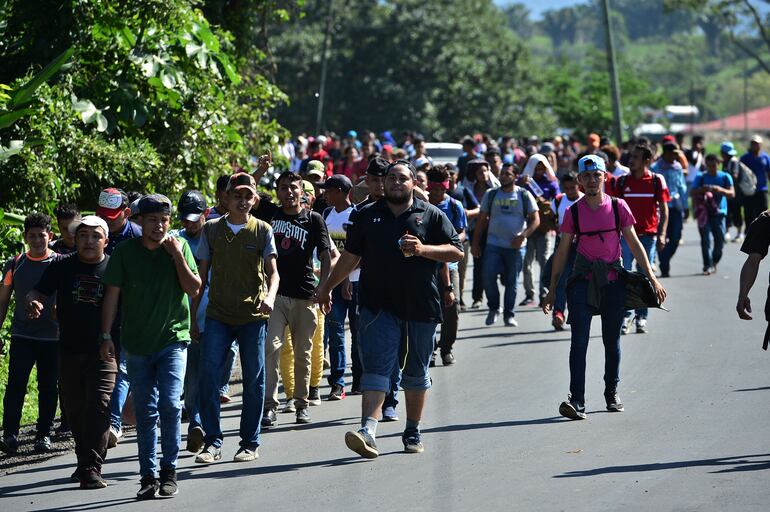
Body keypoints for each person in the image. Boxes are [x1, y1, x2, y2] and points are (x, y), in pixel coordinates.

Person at [317, 160, 463, 458]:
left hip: (420, 306)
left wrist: (423, 249)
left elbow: (456, 251)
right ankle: (367, 431)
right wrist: (327, 286)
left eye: (403, 178)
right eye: (391, 178)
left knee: (415, 371)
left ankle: (412, 429)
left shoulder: (431, 215)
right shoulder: (367, 215)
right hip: (377, 304)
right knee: (377, 369)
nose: (396, 182)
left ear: (413, 184)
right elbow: (349, 257)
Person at [543, 155, 666, 420]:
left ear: (604, 177)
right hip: (582, 283)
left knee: (612, 340)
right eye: (586, 176)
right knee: (579, 342)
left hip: (613, 281)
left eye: (596, 175)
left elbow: (634, 244)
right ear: (579, 180)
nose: (591, 181)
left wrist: (652, 278)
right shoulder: (572, 211)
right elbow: (562, 253)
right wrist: (553, 290)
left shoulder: (619, 206)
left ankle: (611, 392)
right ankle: (577, 400)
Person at [100, 194, 200, 499]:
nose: (159, 225)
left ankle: (169, 472)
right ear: (138, 221)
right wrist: (105, 335)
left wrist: (177, 256)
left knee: (170, 405)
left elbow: (194, 288)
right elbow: (112, 297)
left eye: (164, 220)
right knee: (145, 412)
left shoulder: (179, 246)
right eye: (153, 219)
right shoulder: (125, 253)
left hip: (173, 340)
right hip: (137, 344)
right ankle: (148, 475)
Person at [192, 174, 279, 464]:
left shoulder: (262, 229)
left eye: (248, 196)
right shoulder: (212, 230)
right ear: (225, 199)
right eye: (236, 195)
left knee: (254, 380)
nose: (242, 201)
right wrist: (193, 317)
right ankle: (212, 443)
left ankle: (249, 443)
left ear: (254, 200)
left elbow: (273, 273)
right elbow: (200, 278)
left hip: (253, 316)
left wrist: (269, 297)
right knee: (208, 376)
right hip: (218, 315)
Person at [26, 215, 116, 488]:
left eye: (95, 236)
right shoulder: (62, 265)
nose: (89, 241)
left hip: (105, 350)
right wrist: (34, 303)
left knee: (99, 405)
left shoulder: (114, 268)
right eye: (83, 236)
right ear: (74, 240)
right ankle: (84, 461)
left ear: (106, 241)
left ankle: (91, 468)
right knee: (75, 409)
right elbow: (36, 292)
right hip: (68, 349)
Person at [262, 172, 331, 427]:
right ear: (278, 191)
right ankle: (270, 406)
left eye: (293, 188)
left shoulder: (313, 219)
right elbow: (244, 191)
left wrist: (324, 287)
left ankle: (301, 404)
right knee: (272, 348)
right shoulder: (271, 215)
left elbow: (325, 255)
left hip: (305, 295)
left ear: (302, 191)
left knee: (303, 353)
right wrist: (260, 170)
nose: (289, 192)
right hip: (276, 295)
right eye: (283, 188)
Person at [0, 213, 59, 454]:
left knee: (48, 386)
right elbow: (3, 299)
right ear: (25, 237)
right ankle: (10, 435)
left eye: (41, 235)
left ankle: (43, 435)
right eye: (32, 236)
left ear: (50, 236)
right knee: (16, 384)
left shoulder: (60, 262)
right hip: (22, 334)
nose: (36, 240)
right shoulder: (15, 264)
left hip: (52, 337)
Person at [97, 187, 142, 447]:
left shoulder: (138, 237)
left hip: (133, 312)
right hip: (102, 312)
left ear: (126, 213)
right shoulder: (94, 234)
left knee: (123, 368)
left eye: (112, 216)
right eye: (103, 215)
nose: (107, 221)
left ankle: (115, 423)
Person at [611, 144, 670, 334]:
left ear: (647, 161)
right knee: (625, 276)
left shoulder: (656, 181)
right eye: (631, 156)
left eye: (636, 157)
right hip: (626, 237)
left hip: (648, 237)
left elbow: (664, 208)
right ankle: (626, 317)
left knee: (645, 276)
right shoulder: (621, 182)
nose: (631, 160)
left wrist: (662, 233)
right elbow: (614, 210)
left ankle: (642, 317)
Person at [471, 164, 539, 326]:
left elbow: (535, 219)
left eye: (507, 174)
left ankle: (509, 314)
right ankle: (494, 308)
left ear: (515, 176)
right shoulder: (491, 194)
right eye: (501, 174)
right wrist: (475, 243)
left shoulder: (524, 195)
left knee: (512, 282)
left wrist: (523, 236)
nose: (503, 176)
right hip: (493, 244)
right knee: (487, 278)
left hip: (515, 248)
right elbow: (481, 220)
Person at [319, 174, 355, 399]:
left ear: (341, 192)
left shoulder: (357, 215)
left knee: (360, 334)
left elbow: (356, 251)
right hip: (334, 282)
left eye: (329, 190)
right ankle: (337, 382)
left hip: (357, 282)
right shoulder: (325, 215)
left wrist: (348, 278)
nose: (325, 194)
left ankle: (360, 377)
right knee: (336, 332)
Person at [426, 165, 466, 365]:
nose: (437, 194)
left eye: (441, 190)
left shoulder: (454, 206)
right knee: (428, 310)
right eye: (433, 190)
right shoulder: (421, 205)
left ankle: (446, 348)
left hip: (449, 265)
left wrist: (450, 241)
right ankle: (430, 349)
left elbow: (462, 232)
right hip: (427, 267)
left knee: (452, 307)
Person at [519, 154, 560, 306]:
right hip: (527, 227)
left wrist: (546, 204)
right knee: (526, 263)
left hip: (544, 228)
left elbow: (558, 201)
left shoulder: (551, 183)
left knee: (544, 261)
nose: (540, 170)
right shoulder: (523, 182)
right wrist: (522, 184)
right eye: (537, 167)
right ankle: (530, 294)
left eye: (543, 167)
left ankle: (544, 293)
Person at [544, 172, 583, 330]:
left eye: (572, 187)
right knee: (549, 276)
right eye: (566, 188)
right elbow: (549, 218)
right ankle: (560, 311)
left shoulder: (585, 200)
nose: (570, 191)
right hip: (562, 245)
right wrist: (555, 226)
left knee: (571, 281)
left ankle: (560, 313)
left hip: (580, 247)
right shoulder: (559, 200)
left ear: (578, 186)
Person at [692, 154, 734, 274]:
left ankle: (714, 261)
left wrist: (719, 190)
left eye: (714, 165)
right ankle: (707, 265)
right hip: (704, 213)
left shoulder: (725, 177)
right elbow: (692, 192)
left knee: (720, 241)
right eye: (709, 166)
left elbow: (732, 193)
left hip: (719, 213)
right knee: (705, 240)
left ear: (718, 164)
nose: (711, 168)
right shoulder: (701, 177)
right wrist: (702, 190)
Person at [652, 142, 688, 278]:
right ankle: (664, 265)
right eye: (674, 153)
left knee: (676, 237)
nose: (676, 156)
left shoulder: (678, 167)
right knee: (662, 236)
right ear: (667, 153)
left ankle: (664, 259)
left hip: (675, 207)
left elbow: (682, 187)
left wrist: (685, 206)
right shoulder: (655, 168)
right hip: (660, 208)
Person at [736, 209, 770, 350]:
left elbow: (752, 261)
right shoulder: (766, 220)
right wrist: (742, 294)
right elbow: (753, 261)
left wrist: (742, 295)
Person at [740, 135, 770, 228]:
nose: (754, 145)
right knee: (749, 214)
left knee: (764, 214)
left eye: (756, 143)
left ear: (760, 145)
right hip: (749, 191)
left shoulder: (765, 157)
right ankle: (749, 235)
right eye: (753, 143)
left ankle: (764, 233)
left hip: (762, 189)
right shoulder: (745, 158)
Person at [722, 141, 746, 242]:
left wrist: (725, 175)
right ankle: (727, 232)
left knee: (736, 212)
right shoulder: (725, 162)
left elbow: (735, 175)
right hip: (728, 192)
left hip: (736, 193)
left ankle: (739, 233)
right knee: (728, 212)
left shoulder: (733, 161)